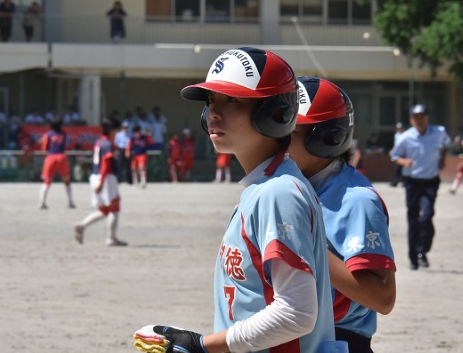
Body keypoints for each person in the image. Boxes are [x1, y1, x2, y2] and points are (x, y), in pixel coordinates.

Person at [134, 47, 335, 352]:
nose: (213, 112)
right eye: (211, 101)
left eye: (232, 101)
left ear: (273, 113)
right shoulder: (264, 185)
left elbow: (297, 313)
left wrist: (201, 345)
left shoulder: (277, 191)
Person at [288, 76, 396, 352]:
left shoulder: (356, 200)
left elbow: (383, 298)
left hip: (338, 340)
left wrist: (307, 245)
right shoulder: (286, 188)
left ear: (325, 137)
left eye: (288, 132)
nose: (275, 142)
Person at [390, 104, 451, 270]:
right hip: (412, 182)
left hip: (430, 180)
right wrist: (405, 162)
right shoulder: (406, 137)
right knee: (413, 218)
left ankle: (423, 250)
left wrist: (443, 159)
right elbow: (394, 156)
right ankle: (414, 258)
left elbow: (446, 143)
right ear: (411, 120)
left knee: (427, 215)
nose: (419, 120)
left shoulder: (439, 132)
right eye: (416, 117)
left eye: (422, 117)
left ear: (427, 118)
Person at [74, 116, 127, 247]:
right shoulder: (108, 144)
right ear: (111, 130)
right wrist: (102, 182)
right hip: (106, 177)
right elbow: (105, 163)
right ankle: (111, 238)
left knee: (104, 210)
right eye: (116, 130)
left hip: (95, 176)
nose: (117, 133)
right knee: (115, 208)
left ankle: (82, 225)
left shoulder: (99, 142)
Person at [37, 118, 76, 210]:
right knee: (66, 181)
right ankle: (70, 202)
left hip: (51, 157)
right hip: (62, 157)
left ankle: (42, 202)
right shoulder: (64, 134)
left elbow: (44, 148)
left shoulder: (47, 135)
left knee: (47, 182)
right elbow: (66, 145)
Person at [389, 122, 405, 187]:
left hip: (403, 153)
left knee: (404, 169)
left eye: (400, 128)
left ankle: (404, 182)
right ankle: (395, 182)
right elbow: (396, 145)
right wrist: (392, 150)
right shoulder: (396, 135)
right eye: (398, 128)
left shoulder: (405, 135)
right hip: (398, 153)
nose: (399, 129)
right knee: (397, 168)